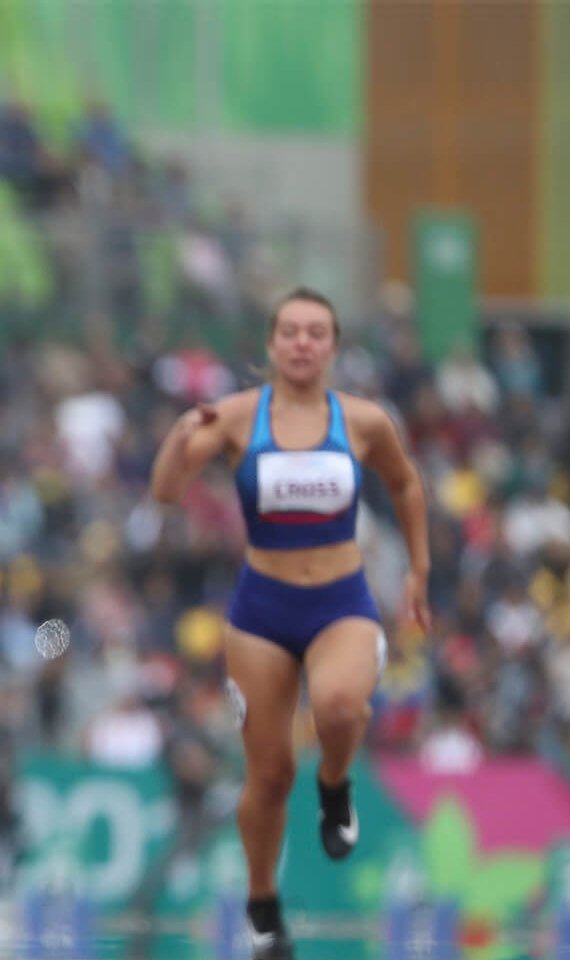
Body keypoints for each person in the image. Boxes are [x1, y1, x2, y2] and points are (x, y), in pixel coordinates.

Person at [149, 288, 430, 960]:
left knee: (339, 706)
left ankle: (335, 783)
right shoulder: (237, 417)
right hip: (262, 612)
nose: (303, 343)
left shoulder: (363, 420)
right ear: (272, 344)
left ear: (333, 346)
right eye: (291, 331)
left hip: (340, 602)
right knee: (269, 774)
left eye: (316, 332)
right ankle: (263, 904)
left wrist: (419, 569)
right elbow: (165, 491)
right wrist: (181, 433)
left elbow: (406, 483)